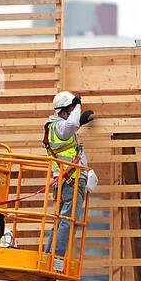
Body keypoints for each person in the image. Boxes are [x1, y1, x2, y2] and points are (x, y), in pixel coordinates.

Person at [43, 91, 97, 260]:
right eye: (72, 110)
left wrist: (79, 121)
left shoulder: (57, 128)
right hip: (71, 182)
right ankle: (56, 259)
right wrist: (78, 105)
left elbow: (71, 128)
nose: (76, 113)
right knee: (67, 221)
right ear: (64, 112)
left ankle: (49, 256)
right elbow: (70, 125)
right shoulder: (60, 127)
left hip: (66, 181)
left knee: (61, 221)